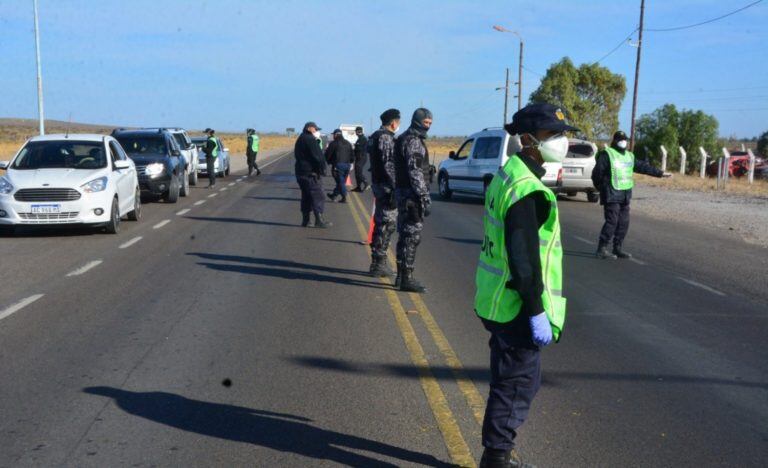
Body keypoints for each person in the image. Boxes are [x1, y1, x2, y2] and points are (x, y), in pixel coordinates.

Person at [474, 103, 576, 468]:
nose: (562, 141)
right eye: (554, 135)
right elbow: (523, 261)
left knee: (518, 381)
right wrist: (536, 311)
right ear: (530, 141)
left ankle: (497, 454)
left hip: (498, 300)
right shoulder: (526, 190)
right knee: (514, 386)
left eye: (564, 134)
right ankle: (496, 459)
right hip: (517, 307)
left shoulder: (510, 174)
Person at [591, 130, 671, 259]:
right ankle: (602, 248)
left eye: (625, 140)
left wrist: (660, 173)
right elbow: (596, 175)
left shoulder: (629, 156)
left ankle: (617, 248)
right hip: (611, 194)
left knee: (623, 222)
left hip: (625, 194)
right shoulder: (607, 155)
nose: (623, 142)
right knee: (612, 221)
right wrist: (602, 188)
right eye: (620, 140)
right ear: (615, 141)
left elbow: (643, 167)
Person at [394, 108, 433, 293]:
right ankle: (406, 278)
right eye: (426, 122)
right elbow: (415, 172)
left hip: (402, 194)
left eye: (430, 123)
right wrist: (424, 196)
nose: (429, 126)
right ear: (417, 121)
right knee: (412, 237)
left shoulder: (402, 138)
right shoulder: (414, 141)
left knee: (404, 236)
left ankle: (401, 276)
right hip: (411, 196)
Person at [367, 108, 401, 277]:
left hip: (378, 183)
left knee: (381, 223)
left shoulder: (374, 137)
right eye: (398, 122)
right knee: (386, 226)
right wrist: (397, 186)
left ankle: (376, 262)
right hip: (387, 187)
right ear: (394, 123)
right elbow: (389, 165)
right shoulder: (386, 138)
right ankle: (379, 263)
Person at [294, 122, 332, 228]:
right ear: (310, 128)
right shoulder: (310, 139)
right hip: (310, 173)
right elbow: (319, 157)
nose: (317, 132)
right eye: (316, 129)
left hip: (300, 172)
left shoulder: (301, 138)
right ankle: (319, 220)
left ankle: (305, 220)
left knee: (306, 196)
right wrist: (322, 170)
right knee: (318, 195)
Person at [325, 129, 354, 203]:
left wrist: (328, 161)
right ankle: (334, 195)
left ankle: (344, 196)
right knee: (341, 182)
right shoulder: (348, 143)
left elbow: (328, 154)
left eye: (333, 135)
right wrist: (351, 162)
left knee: (340, 182)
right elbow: (352, 155)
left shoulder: (334, 143)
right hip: (347, 165)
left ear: (335, 135)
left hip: (338, 165)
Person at [352, 126, 369, 192]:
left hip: (361, 157)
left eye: (356, 131)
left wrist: (354, 148)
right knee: (356, 172)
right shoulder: (359, 139)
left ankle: (366, 183)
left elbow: (359, 149)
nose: (355, 132)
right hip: (358, 157)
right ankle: (358, 187)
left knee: (359, 172)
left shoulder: (363, 139)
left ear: (358, 131)